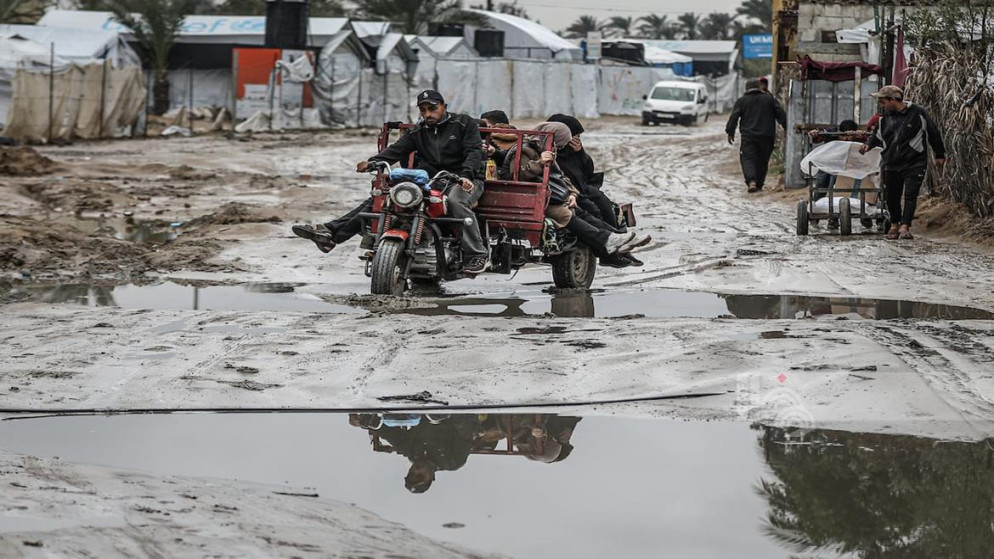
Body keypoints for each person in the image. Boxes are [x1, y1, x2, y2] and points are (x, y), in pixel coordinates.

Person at [293, 89, 490, 274]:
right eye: (423, 110)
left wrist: (466, 175)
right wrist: (373, 162)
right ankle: (331, 234)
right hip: (431, 179)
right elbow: (397, 149)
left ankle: (476, 254)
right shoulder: (419, 131)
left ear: (444, 106)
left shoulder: (464, 123)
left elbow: (474, 151)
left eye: (432, 108)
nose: (428, 114)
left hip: (464, 179)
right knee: (384, 198)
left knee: (456, 202)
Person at [499, 121, 650, 264]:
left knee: (580, 211)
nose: (560, 148)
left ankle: (617, 237)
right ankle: (608, 241)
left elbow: (562, 177)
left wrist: (572, 194)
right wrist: (539, 163)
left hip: (547, 198)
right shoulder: (524, 150)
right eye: (559, 144)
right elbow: (517, 176)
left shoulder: (546, 149)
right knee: (566, 214)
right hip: (528, 200)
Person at [859, 85, 946, 240]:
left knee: (910, 195)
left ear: (894, 99)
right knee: (892, 196)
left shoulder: (918, 113)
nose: (881, 104)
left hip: (914, 162)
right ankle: (894, 225)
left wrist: (940, 154)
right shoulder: (884, 118)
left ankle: (905, 227)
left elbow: (933, 132)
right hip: (891, 163)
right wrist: (868, 145)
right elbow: (876, 135)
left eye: (883, 101)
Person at [726, 78, 788, 193]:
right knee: (763, 160)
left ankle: (751, 181)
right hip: (767, 136)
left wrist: (730, 132)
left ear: (746, 88)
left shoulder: (742, 101)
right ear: (759, 87)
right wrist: (786, 127)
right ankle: (759, 184)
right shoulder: (769, 99)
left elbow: (734, 117)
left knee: (748, 158)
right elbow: (781, 114)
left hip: (749, 136)